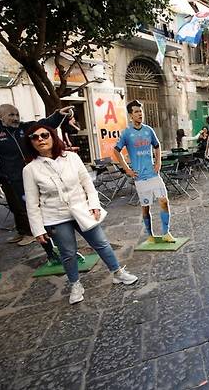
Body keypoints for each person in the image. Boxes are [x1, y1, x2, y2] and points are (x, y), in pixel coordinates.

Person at [23, 124, 138, 304]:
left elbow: (88, 184)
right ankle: (75, 284)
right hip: (55, 215)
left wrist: (94, 205)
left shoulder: (72, 158)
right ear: (30, 143)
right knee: (67, 253)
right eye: (35, 137)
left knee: (101, 243)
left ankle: (118, 273)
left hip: (81, 209)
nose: (41, 140)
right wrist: (37, 229)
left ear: (52, 136)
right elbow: (31, 202)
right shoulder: (30, 169)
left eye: (44, 135)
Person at [0, 103, 73, 245]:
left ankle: (32, 233)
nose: (15, 118)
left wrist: (58, 115)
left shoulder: (25, 128)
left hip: (30, 175)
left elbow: (45, 124)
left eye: (17, 114)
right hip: (8, 178)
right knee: (15, 207)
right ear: (0, 116)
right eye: (11, 115)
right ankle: (23, 231)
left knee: (28, 205)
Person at [113, 100, 173, 243]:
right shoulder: (127, 133)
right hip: (140, 178)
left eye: (141, 111)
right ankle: (150, 236)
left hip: (153, 174)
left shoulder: (148, 130)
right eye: (136, 112)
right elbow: (116, 151)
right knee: (146, 208)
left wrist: (158, 162)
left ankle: (166, 233)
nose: (140, 114)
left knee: (164, 201)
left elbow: (157, 146)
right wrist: (127, 169)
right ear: (130, 115)